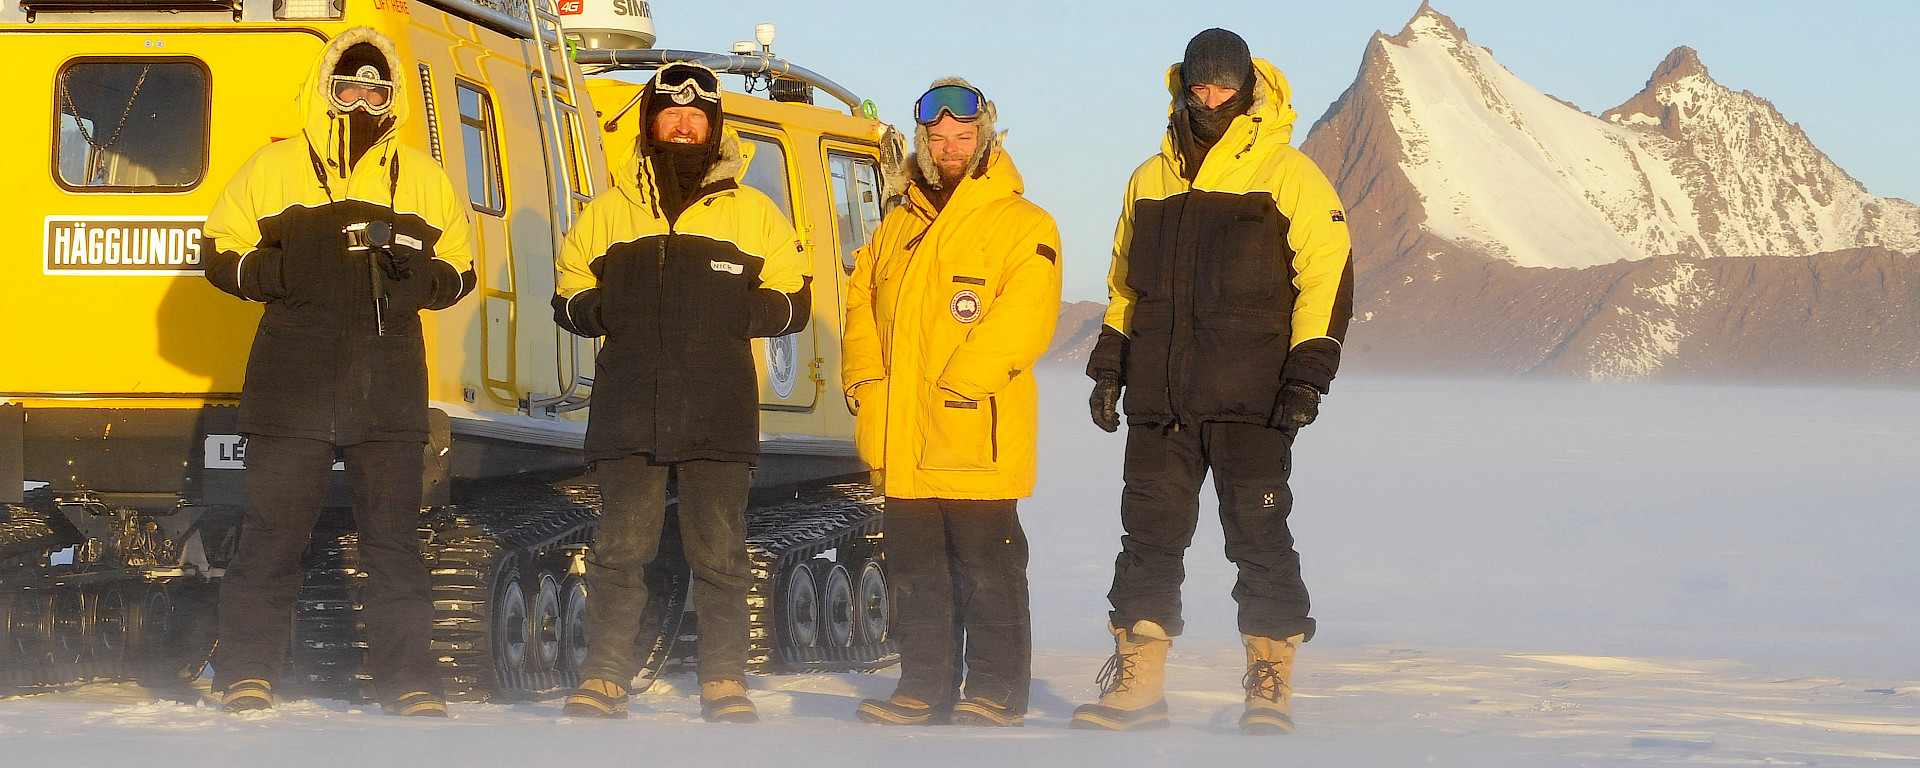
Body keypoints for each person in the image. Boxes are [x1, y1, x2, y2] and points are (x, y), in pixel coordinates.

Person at [1072, 29, 1354, 735]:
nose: (1209, 99)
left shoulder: (1290, 175)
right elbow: (1122, 286)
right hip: (1161, 402)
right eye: (1198, 87)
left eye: (1222, 87)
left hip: (1252, 400)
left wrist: (1307, 375)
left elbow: (1328, 275)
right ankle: (1138, 683)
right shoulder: (1150, 179)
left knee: (1258, 539)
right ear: (1182, 88)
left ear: (1248, 88)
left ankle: (1269, 685)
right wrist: (1111, 363)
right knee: (1147, 540)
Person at [201, 27, 477, 716]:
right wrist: (283, 271)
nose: (361, 98)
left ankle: (409, 682)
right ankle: (247, 673)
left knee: (394, 545)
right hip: (291, 384)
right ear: (330, 91)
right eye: (349, 86)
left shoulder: (424, 178)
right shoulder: (274, 168)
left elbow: (463, 271)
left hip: (387, 390)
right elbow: (217, 252)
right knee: (271, 538)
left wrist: (420, 280)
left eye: (375, 89)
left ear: (391, 99)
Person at [552, 63, 811, 723]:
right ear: (652, 122)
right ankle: (605, 677)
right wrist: (603, 310)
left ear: (714, 125)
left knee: (719, 553)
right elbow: (568, 290)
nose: (686, 122)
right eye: (672, 112)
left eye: (698, 114)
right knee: (618, 551)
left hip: (718, 408)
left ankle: (723, 681)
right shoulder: (609, 210)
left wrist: (734, 315)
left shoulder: (754, 212)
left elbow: (794, 298)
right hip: (628, 406)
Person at [843, 78, 1063, 727]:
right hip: (903, 437)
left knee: (987, 568)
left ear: (985, 137)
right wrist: (867, 383)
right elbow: (858, 302)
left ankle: (996, 692)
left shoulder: (1023, 224)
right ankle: (925, 687)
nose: (948, 148)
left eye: (961, 137)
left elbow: (1025, 317)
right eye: (937, 139)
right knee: (915, 572)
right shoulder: (897, 227)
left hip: (974, 436)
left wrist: (959, 383)